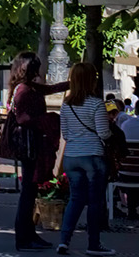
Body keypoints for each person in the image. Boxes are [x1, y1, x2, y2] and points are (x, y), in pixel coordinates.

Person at [8, 50, 69, 251]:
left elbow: (50, 89)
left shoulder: (29, 87)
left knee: (30, 191)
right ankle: (23, 238)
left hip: (32, 144)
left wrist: (72, 83)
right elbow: (22, 118)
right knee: (28, 191)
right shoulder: (24, 90)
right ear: (31, 68)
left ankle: (29, 234)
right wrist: (46, 120)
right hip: (29, 145)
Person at [58, 62, 115, 256]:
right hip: (92, 157)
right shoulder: (96, 103)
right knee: (94, 202)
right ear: (91, 80)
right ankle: (93, 244)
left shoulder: (66, 105)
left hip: (71, 157)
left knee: (75, 199)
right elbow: (103, 133)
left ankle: (64, 241)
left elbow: (65, 134)